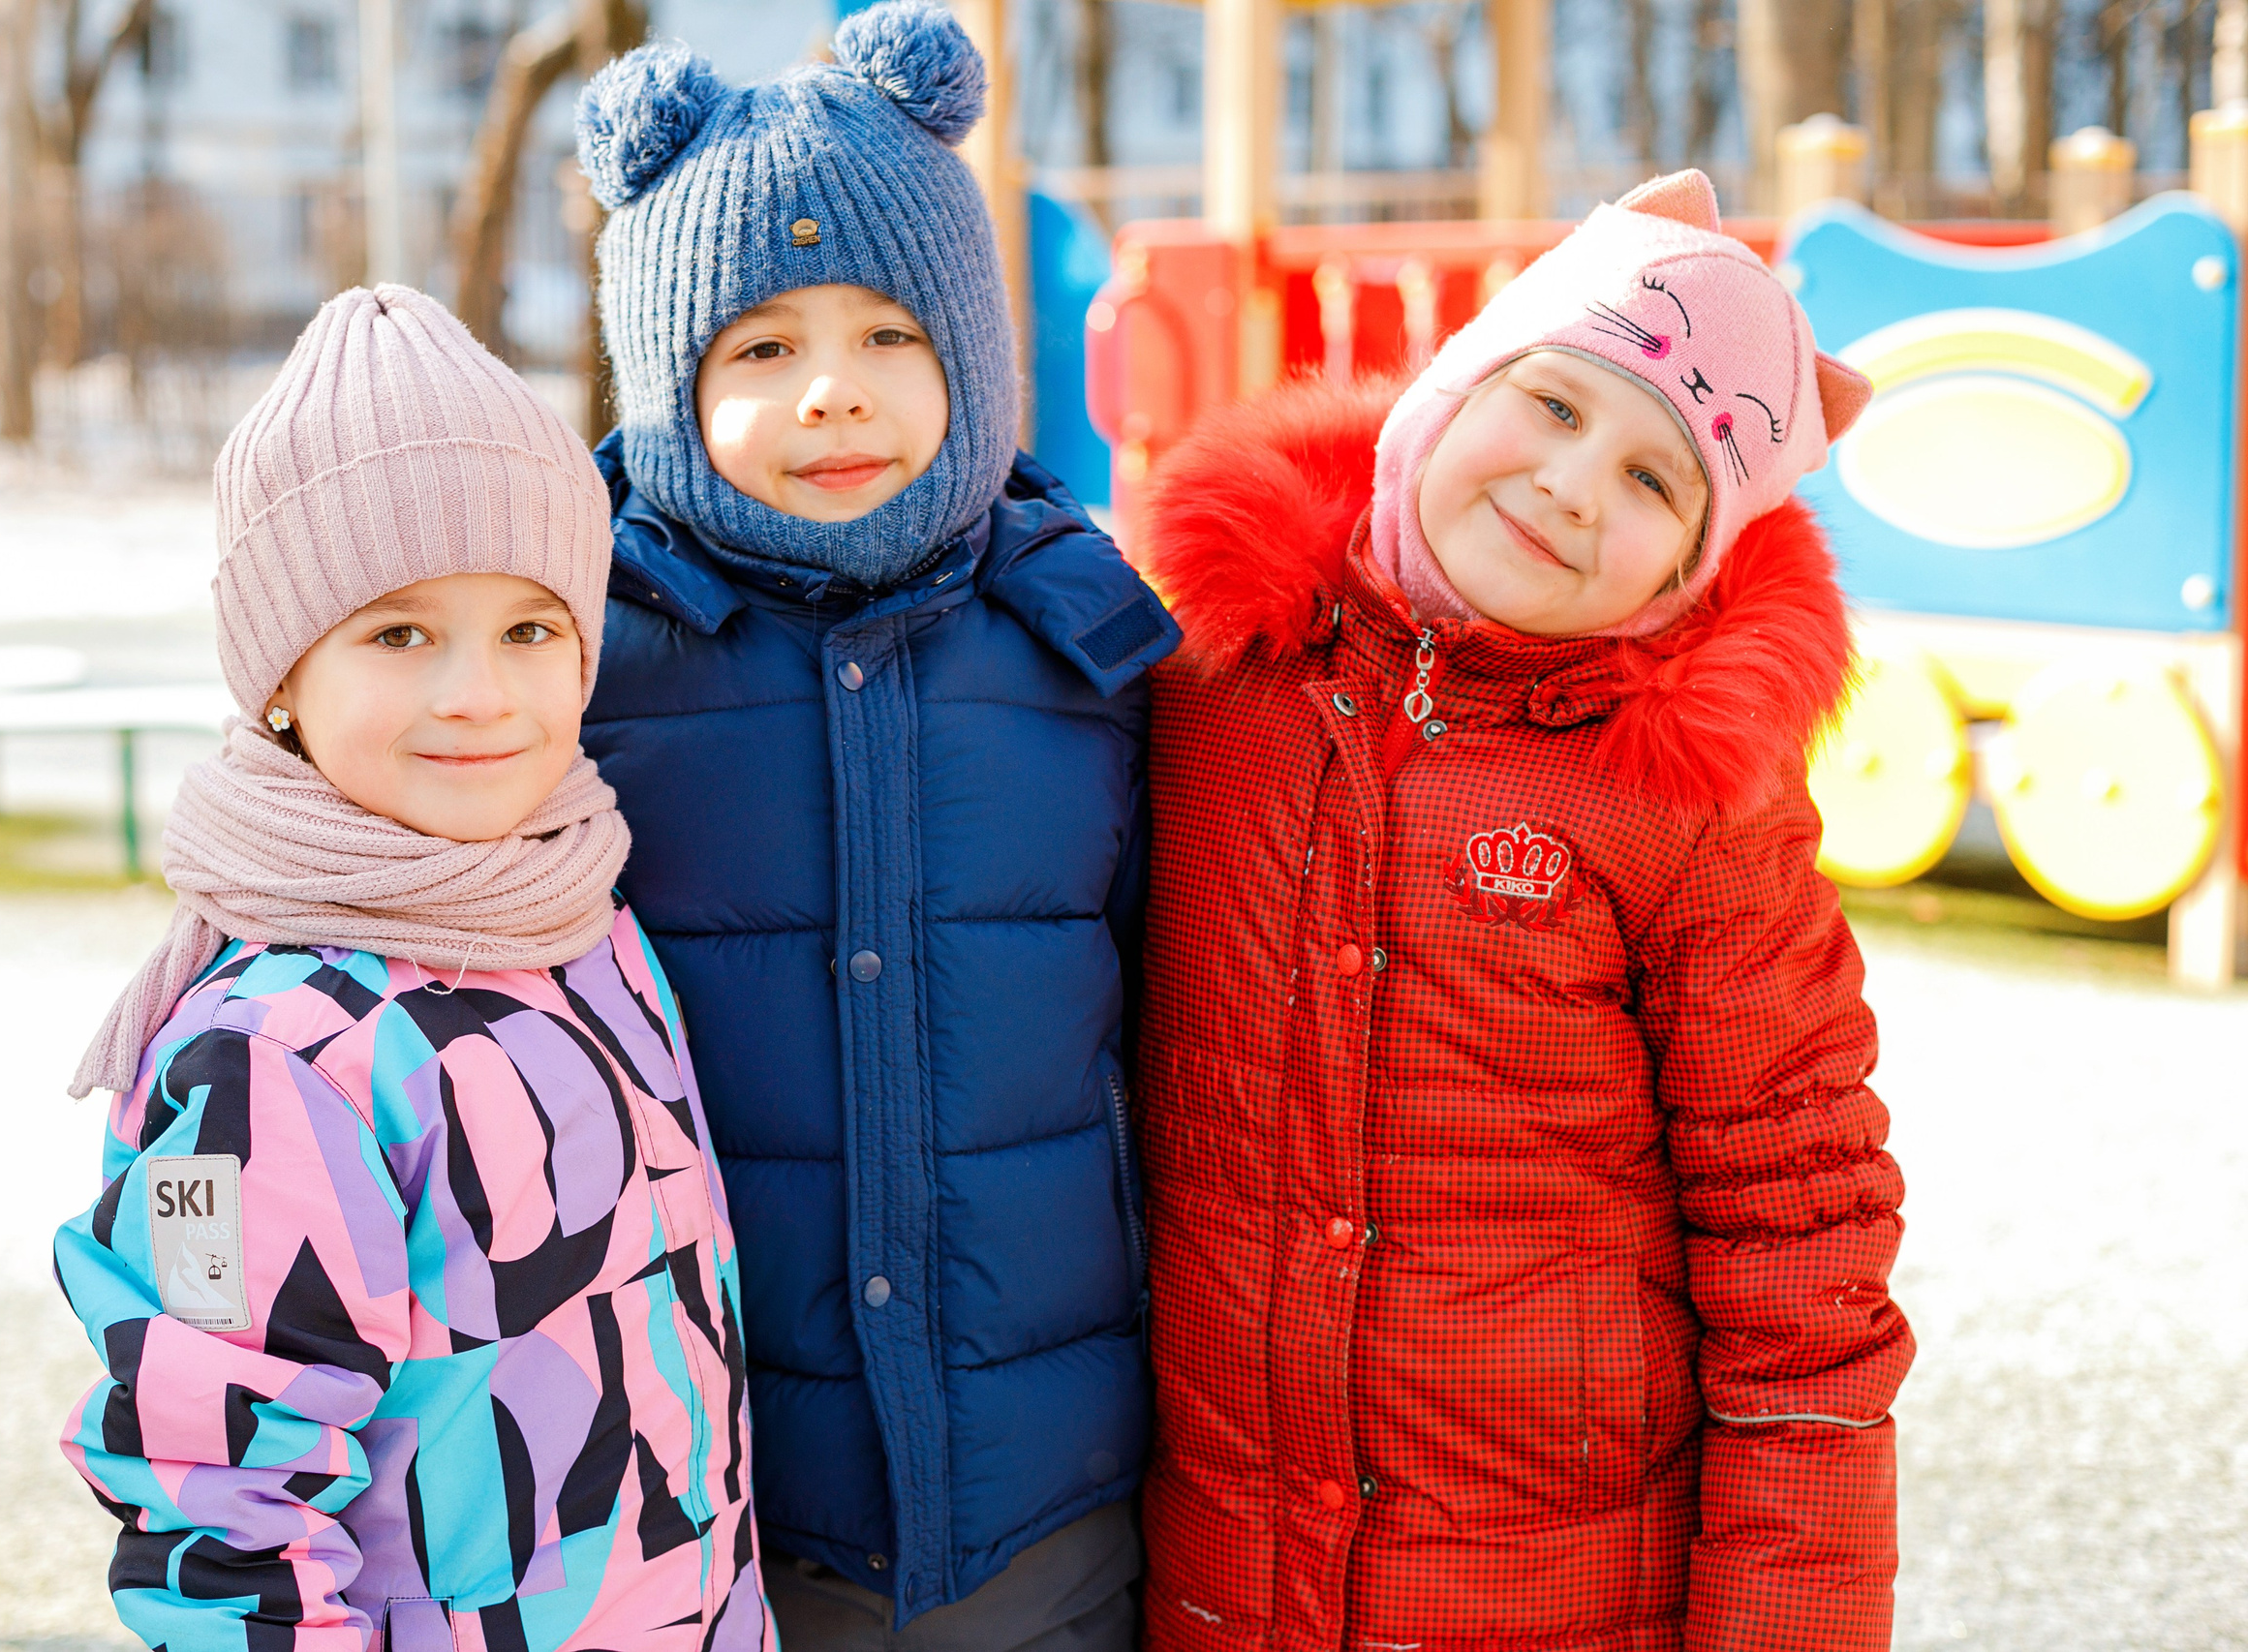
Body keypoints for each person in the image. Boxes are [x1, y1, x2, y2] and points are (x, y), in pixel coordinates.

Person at [1128, 170, 1915, 1652]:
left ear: (1692, 566)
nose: (1570, 484)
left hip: (1547, 1595)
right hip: (1220, 1581)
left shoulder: (1689, 811)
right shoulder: (1207, 682)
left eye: (1653, 480)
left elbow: (1801, 1253)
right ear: (1452, 382)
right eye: (1555, 406)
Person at [569, 6, 1181, 1648]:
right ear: (664, 376)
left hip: (1049, 1490)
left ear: (972, 354)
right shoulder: (585, 662)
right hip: (722, 1498)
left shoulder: (1087, 649)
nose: (831, 394)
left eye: (887, 338)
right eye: (759, 348)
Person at [52, 286, 772, 1652]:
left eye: (529, 629)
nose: (478, 693)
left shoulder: (583, 916)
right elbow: (218, 1495)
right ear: (280, 675)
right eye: (398, 633)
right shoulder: (265, 1055)